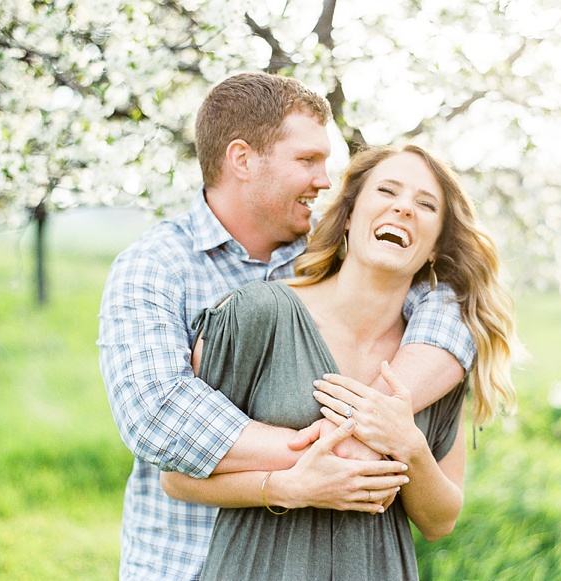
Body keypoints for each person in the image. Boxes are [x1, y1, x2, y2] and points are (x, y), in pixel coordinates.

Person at [98, 72, 477, 580]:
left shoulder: (325, 261)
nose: (324, 180)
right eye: (307, 161)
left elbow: (447, 305)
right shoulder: (158, 267)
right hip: (184, 562)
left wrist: (390, 427)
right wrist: (338, 446)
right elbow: (158, 417)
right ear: (242, 159)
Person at [161, 144, 518, 580]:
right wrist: (286, 487)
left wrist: (410, 446)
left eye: (425, 205)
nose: (404, 208)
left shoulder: (437, 364)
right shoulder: (257, 315)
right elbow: (176, 477)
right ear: (349, 216)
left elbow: (440, 521)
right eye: (387, 191)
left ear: (434, 249)